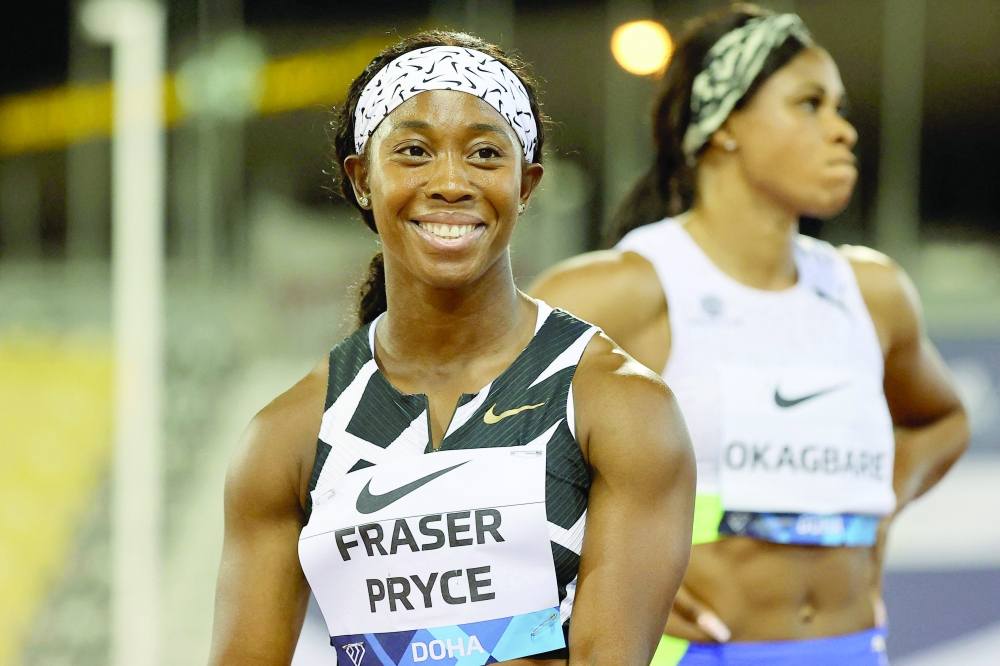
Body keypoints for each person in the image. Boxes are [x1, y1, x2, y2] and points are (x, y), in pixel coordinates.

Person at [208, 31, 696, 666]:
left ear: (527, 184)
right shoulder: (287, 436)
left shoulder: (618, 405)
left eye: (486, 154)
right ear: (362, 178)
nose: (450, 182)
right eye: (413, 151)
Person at [530, 6, 969, 665]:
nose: (843, 131)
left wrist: (883, 509)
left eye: (840, 108)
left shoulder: (872, 293)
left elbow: (941, 421)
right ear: (726, 124)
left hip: (851, 648)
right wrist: (589, 571)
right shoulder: (624, 290)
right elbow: (468, 451)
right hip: (689, 652)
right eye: (810, 104)